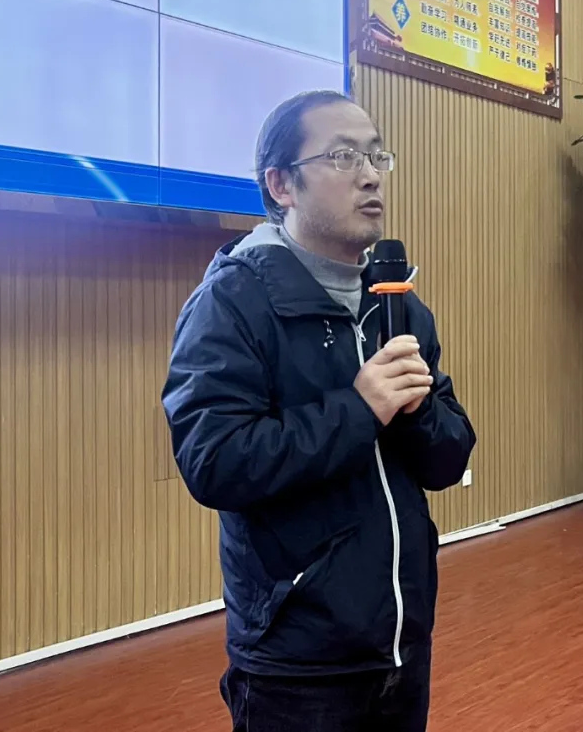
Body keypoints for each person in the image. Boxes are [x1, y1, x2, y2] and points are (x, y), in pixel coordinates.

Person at [161, 90, 476, 731]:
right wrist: (359, 408)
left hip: (401, 639)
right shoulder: (234, 302)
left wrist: (416, 412)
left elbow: (447, 461)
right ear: (281, 184)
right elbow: (214, 462)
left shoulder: (397, 304)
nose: (371, 175)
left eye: (376, 156)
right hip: (297, 662)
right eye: (342, 156)